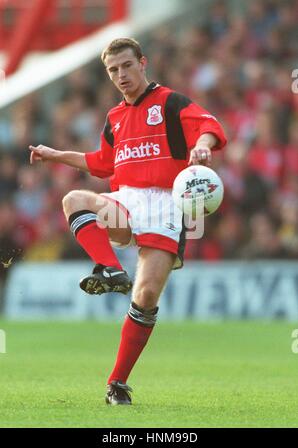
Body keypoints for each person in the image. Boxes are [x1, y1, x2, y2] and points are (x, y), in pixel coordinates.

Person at [29, 38, 227, 405]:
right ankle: (109, 269)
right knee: (74, 199)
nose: (120, 75)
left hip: (168, 203)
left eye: (126, 66)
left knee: (147, 296)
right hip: (128, 200)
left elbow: (208, 125)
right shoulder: (115, 118)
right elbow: (102, 162)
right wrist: (56, 155)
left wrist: (202, 145)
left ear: (142, 63)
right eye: (113, 70)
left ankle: (117, 384)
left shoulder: (170, 101)